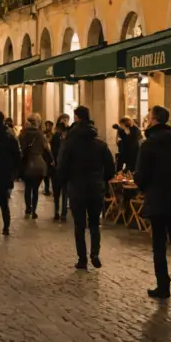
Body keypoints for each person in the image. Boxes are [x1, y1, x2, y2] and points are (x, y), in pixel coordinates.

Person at [134, 105, 171, 298]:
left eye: (148, 117)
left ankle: (163, 285)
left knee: (159, 244)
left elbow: (140, 175)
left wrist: (145, 187)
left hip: (157, 200)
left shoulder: (148, 145)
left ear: (154, 120)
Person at [58, 105, 115, 270]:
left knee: (79, 225)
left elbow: (62, 166)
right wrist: (101, 180)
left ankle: (82, 259)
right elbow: (111, 169)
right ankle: (95, 253)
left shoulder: (70, 143)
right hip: (96, 188)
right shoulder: (100, 144)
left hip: (77, 188)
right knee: (95, 224)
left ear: (76, 118)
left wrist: (63, 182)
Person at [19, 113, 50, 219]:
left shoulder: (24, 134)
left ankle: (28, 208)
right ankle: (34, 211)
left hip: (28, 163)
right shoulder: (40, 134)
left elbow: (22, 149)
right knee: (35, 189)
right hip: (39, 164)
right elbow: (46, 148)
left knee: (28, 188)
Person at [50, 115, 70, 221]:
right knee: (61, 192)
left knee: (60, 192)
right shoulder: (64, 138)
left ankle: (60, 212)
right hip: (60, 168)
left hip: (60, 168)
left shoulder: (59, 137)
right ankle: (61, 212)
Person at [43, 120, 54, 195]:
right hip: (44, 156)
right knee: (46, 174)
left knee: (51, 173)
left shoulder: (53, 135)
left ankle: (52, 188)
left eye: (49, 125)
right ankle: (46, 189)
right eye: (47, 125)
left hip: (50, 156)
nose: (48, 127)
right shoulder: (43, 134)